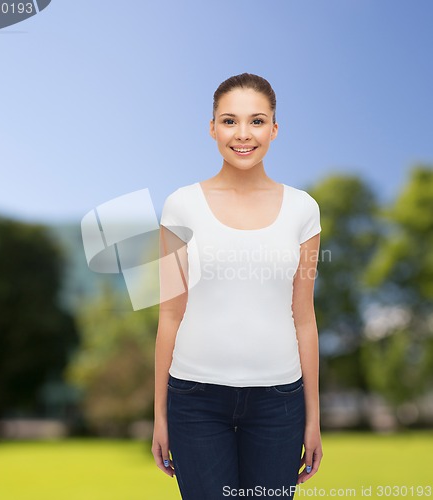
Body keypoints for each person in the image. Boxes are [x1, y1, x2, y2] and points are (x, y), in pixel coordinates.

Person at [152, 73, 323, 499]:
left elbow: (304, 318)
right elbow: (170, 314)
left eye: (257, 121)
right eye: (229, 121)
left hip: (279, 402)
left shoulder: (303, 209)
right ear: (211, 127)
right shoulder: (180, 205)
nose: (243, 134)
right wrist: (159, 415)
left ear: (274, 129)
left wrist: (313, 417)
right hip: (194, 400)